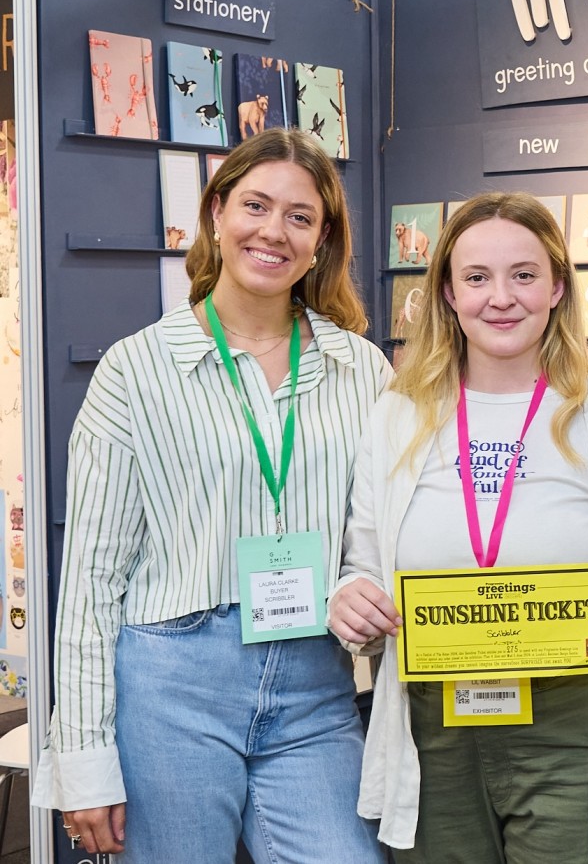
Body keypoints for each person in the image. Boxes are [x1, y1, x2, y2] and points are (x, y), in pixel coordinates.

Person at [32, 128, 390, 863]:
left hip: (314, 682)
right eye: (255, 205)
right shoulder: (137, 369)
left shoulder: (362, 369)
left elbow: (377, 531)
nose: (273, 231)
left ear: (322, 239)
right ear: (217, 213)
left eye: (300, 216)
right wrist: (85, 760)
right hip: (172, 682)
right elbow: (92, 583)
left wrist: (361, 582)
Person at [329, 191, 588, 863]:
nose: (501, 297)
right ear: (448, 292)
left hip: (570, 725)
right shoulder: (396, 417)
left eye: (523, 274)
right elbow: (363, 562)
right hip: (433, 726)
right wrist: (352, 596)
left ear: (556, 287)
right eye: (477, 277)